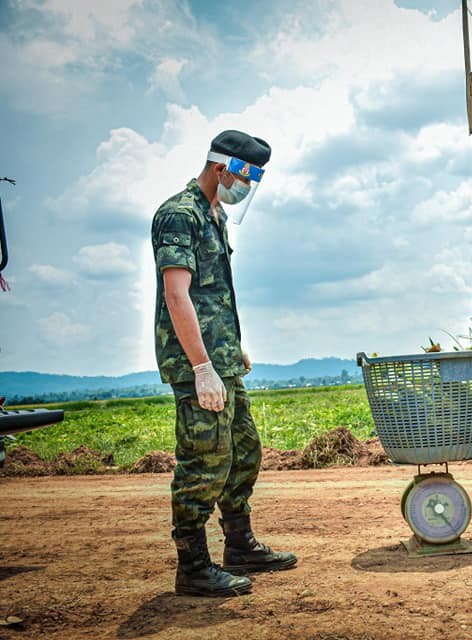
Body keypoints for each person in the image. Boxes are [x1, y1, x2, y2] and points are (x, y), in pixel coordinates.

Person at [152, 130, 297, 597]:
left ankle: (239, 544)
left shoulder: (216, 216)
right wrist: (201, 367)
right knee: (204, 461)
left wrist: (232, 349)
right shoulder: (180, 214)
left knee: (244, 451)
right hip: (197, 366)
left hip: (223, 360)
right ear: (221, 169)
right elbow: (178, 296)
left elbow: (214, 295)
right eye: (244, 179)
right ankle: (193, 565)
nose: (245, 189)